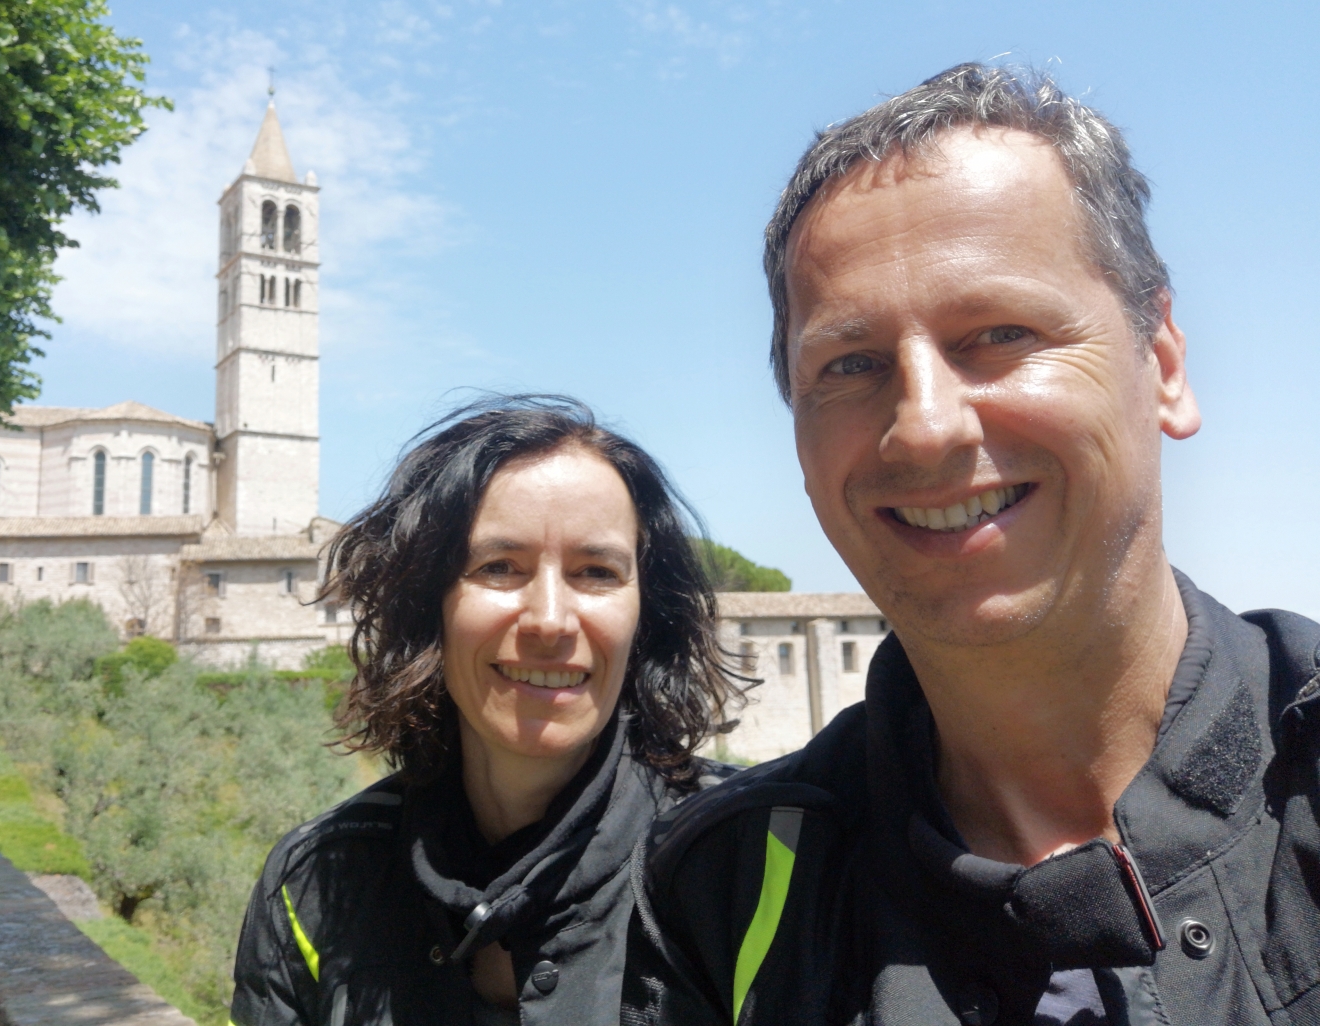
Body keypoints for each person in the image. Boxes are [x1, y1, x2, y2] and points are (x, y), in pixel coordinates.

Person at [622, 64, 1320, 1025]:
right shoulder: (725, 895)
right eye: (852, 363)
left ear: (1162, 363)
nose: (924, 427)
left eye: (999, 333)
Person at [231, 396, 740, 1026]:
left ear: (646, 614)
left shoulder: (746, 857)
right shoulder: (312, 884)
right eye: (498, 567)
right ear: (427, 605)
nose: (550, 620)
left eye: (596, 572)